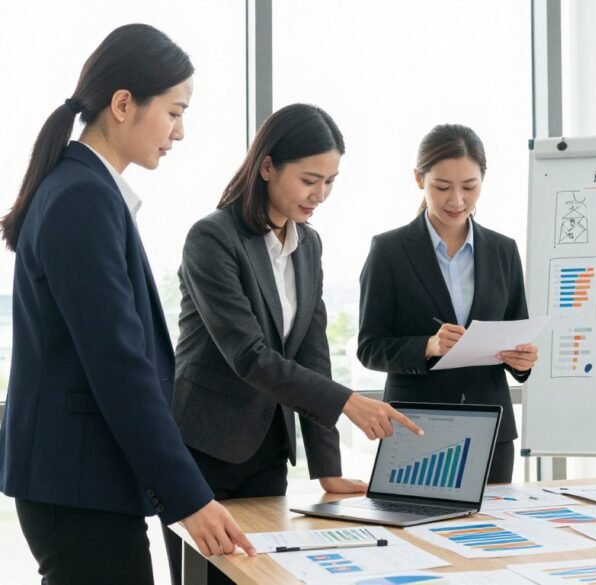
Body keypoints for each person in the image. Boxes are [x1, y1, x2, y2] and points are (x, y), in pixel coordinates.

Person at [0, 24, 255, 585]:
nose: (180, 131)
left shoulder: (81, 189)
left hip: (81, 481)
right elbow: (118, 365)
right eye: (174, 111)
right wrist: (189, 496)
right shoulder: (82, 197)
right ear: (122, 104)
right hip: (77, 486)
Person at [165, 103, 423, 585]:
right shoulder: (212, 238)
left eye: (330, 181)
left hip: (265, 452)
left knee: (265, 577)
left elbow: (312, 353)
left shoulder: (308, 245)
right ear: (267, 167)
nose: (320, 194)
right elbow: (249, 355)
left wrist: (328, 469)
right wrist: (348, 403)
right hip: (202, 449)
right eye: (309, 180)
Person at [357, 123, 537, 483]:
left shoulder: (504, 250)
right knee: (415, 532)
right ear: (418, 179)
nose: (457, 200)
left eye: (469, 187)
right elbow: (369, 347)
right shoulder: (389, 251)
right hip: (417, 427)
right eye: (442, 187)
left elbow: (518, 332)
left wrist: (523, 361)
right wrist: (427, 346)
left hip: (492, 429)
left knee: (493, 533)